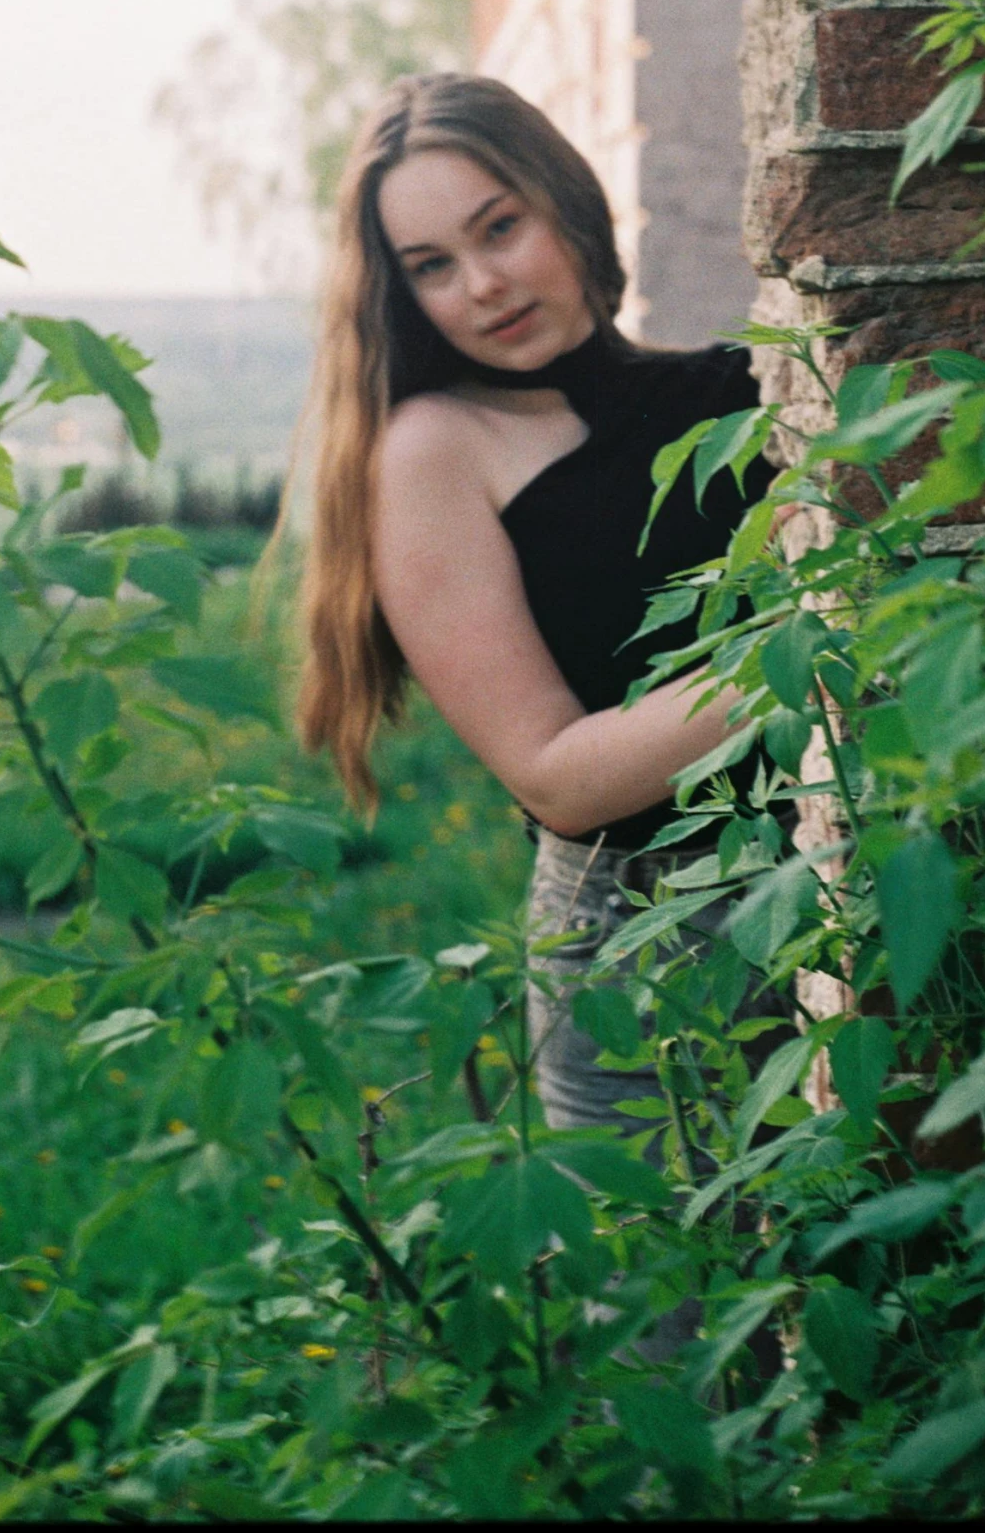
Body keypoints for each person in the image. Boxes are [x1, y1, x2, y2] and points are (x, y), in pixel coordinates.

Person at [296, 71, 778, 1136]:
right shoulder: (434, 451)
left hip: (828, 894)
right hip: (643, 953)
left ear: (565, 199)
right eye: (431, 266)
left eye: (498, 228)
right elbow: (558, 778)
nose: (481, 284)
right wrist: (811, 644)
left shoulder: (732, 391)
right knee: (689, 1304)